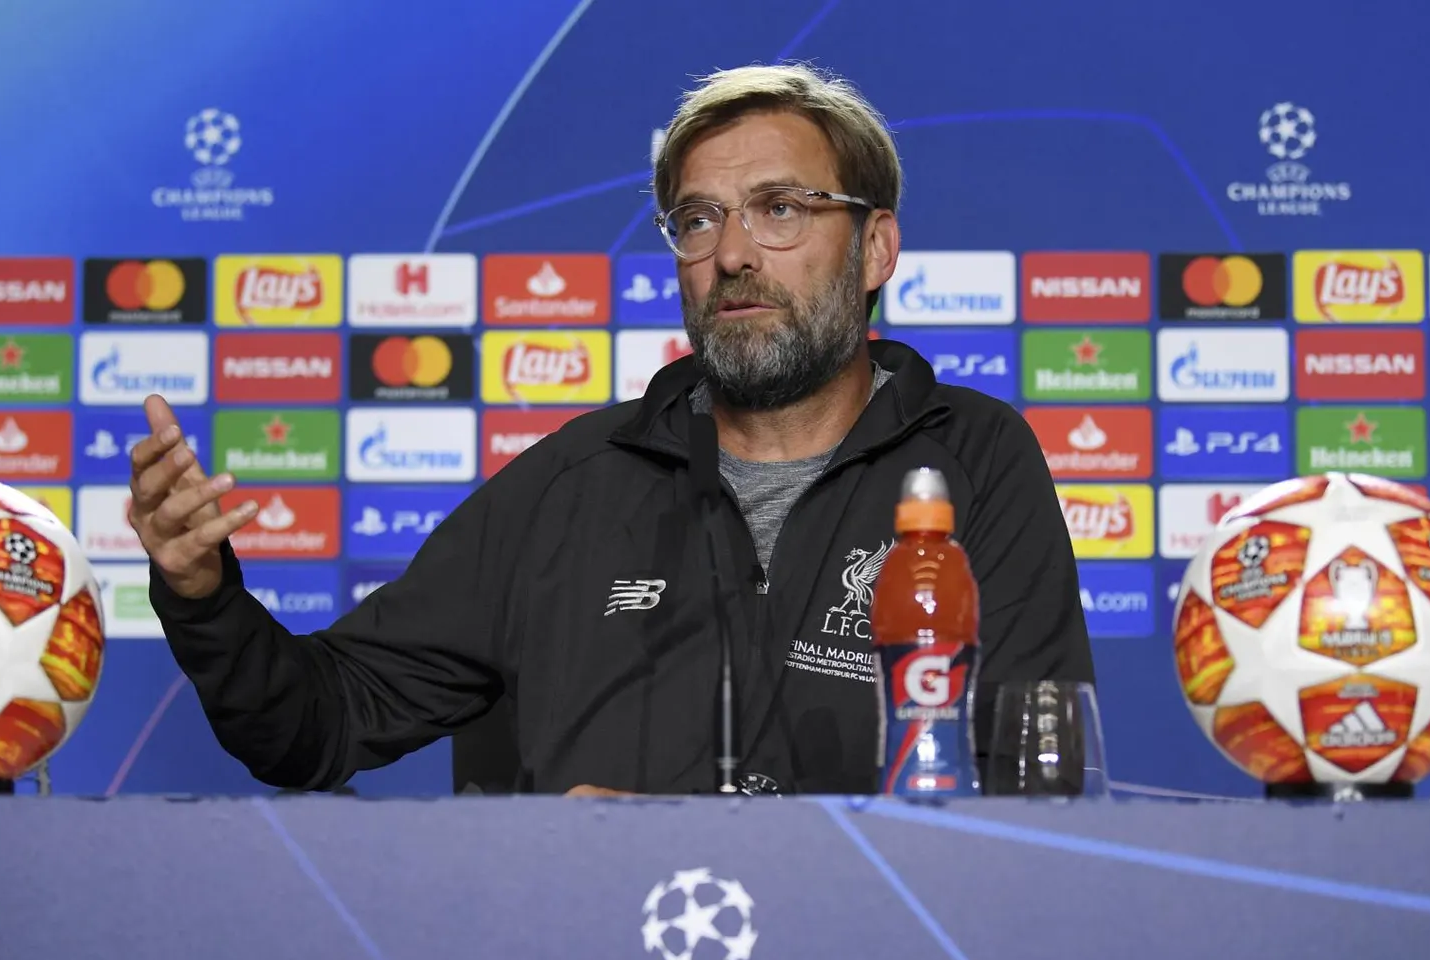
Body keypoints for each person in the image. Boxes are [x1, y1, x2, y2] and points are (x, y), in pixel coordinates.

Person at [133, 62, 1093, 796]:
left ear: (875, 246)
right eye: (697, 219)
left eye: (781, 210)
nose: (732, 254)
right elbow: (318, 723)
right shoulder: (572, 485)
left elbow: (1035, 781)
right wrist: (202, 594)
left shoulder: (972, 460)